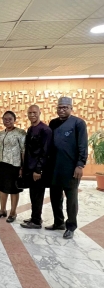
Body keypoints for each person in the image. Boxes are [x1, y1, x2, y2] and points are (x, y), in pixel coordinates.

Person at [46, 97, 88, 239]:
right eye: (59, 107)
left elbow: (83, 145)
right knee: (55, 197)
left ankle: (71, 226)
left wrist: (80, 165)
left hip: (71, 169)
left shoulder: (78, 123)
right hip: (54, 168)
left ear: (71, 108)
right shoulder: (53, 123)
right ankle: (58, 222)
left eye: (65, 107)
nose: (62, 110)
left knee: (71, 199)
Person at [20, 105, 52, 229]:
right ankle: (35, 217)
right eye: (30, 113)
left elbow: (45, 152)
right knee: (33, 194)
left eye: (34, 112)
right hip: (30, 168)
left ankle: (37, 221)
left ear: (40, 112)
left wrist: (38, 170)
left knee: (38, 195)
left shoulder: (45, 130)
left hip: (38, 170)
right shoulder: (30, 129)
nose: (32, 115)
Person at [0, 111, 26, 223]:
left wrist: (22, 167)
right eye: (5, 119)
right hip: (2, 164)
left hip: (14, 165)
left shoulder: (20, 133)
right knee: (2, 188)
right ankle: (2, 210)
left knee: (13, 189)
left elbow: (23, 150)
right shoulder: (1, 133)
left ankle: (13, 212)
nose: (7, 121)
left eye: (10, 119)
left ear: (14, 120)